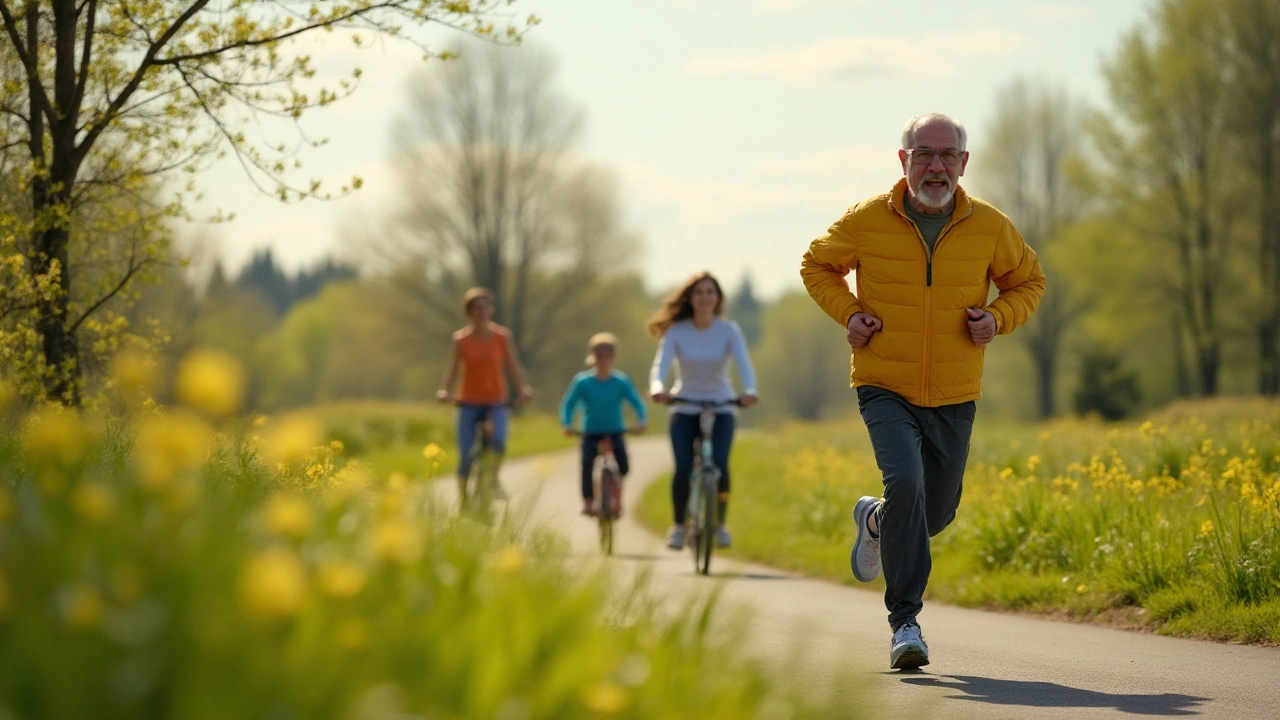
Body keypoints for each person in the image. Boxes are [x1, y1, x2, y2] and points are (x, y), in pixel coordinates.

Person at [799, 113, 1045, 670]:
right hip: (884, 381)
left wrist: (999, 318)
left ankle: (879, 521)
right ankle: (905, 622)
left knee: (933, 514)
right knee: (905, 481)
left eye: (947, 155)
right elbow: (817, 266)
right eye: (923, 154)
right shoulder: (867, 219)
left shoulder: (989, 224)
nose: (936, 166)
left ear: (964, 161)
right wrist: (850, 313)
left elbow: (1029, 281)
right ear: (903, 159)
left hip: (956, 390)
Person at [648, 271, 758, 551]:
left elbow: (744, 364)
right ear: (690, 298)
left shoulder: (728, 330)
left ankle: (720, 524)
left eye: (710, 292)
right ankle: (678, 526)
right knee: (684, 467)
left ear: (718, 299)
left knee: (720, 465)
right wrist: (658, 387)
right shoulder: (677, 332)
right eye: (699, 292)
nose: (705, 297)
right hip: (684, 406)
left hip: (721, 406)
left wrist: (749, 391)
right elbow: (660, 364)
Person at [436, 287, 533, 501]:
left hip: (496, 401)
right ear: (469, 313)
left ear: (491, 310)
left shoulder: (502, 337)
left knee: (498, 442)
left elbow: (514, 366)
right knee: (466, 455)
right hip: (468, 402)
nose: (481, 312)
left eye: (484, 307)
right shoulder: (460, 340)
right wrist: (445, 391)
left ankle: (493, 478)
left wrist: (523, 389)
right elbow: (452, 370)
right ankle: (463, 496)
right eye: (476, 308)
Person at [560, 332, 648, 517]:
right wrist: (567, 424)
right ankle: (588, 502)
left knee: (623, 466)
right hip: (590, 432)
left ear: (614, 358)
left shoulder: (621, 381)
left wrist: (641, 421)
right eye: (600, 355)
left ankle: (616, 495)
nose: (604, 359)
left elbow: (637, 403)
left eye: (608, 355)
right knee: (587, 464)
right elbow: (568, 405)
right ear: (593, 357)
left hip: (615, 431)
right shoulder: (583, 381)